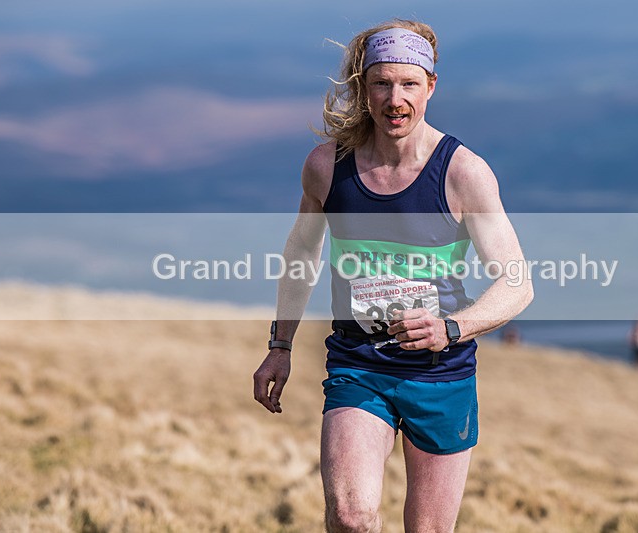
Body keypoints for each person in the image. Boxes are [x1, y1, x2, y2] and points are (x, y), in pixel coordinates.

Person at [253, 19, 533, 532]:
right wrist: (281, 345)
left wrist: (452, 327)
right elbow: (301, 254)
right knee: (352, 517)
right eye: (381, 83)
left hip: (440, 372)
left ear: (431, 86)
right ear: (363, 88)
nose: (395, 99)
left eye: (409, 84)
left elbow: (518, 283)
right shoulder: (327, 168)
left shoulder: (462, 173)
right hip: (359, 364)